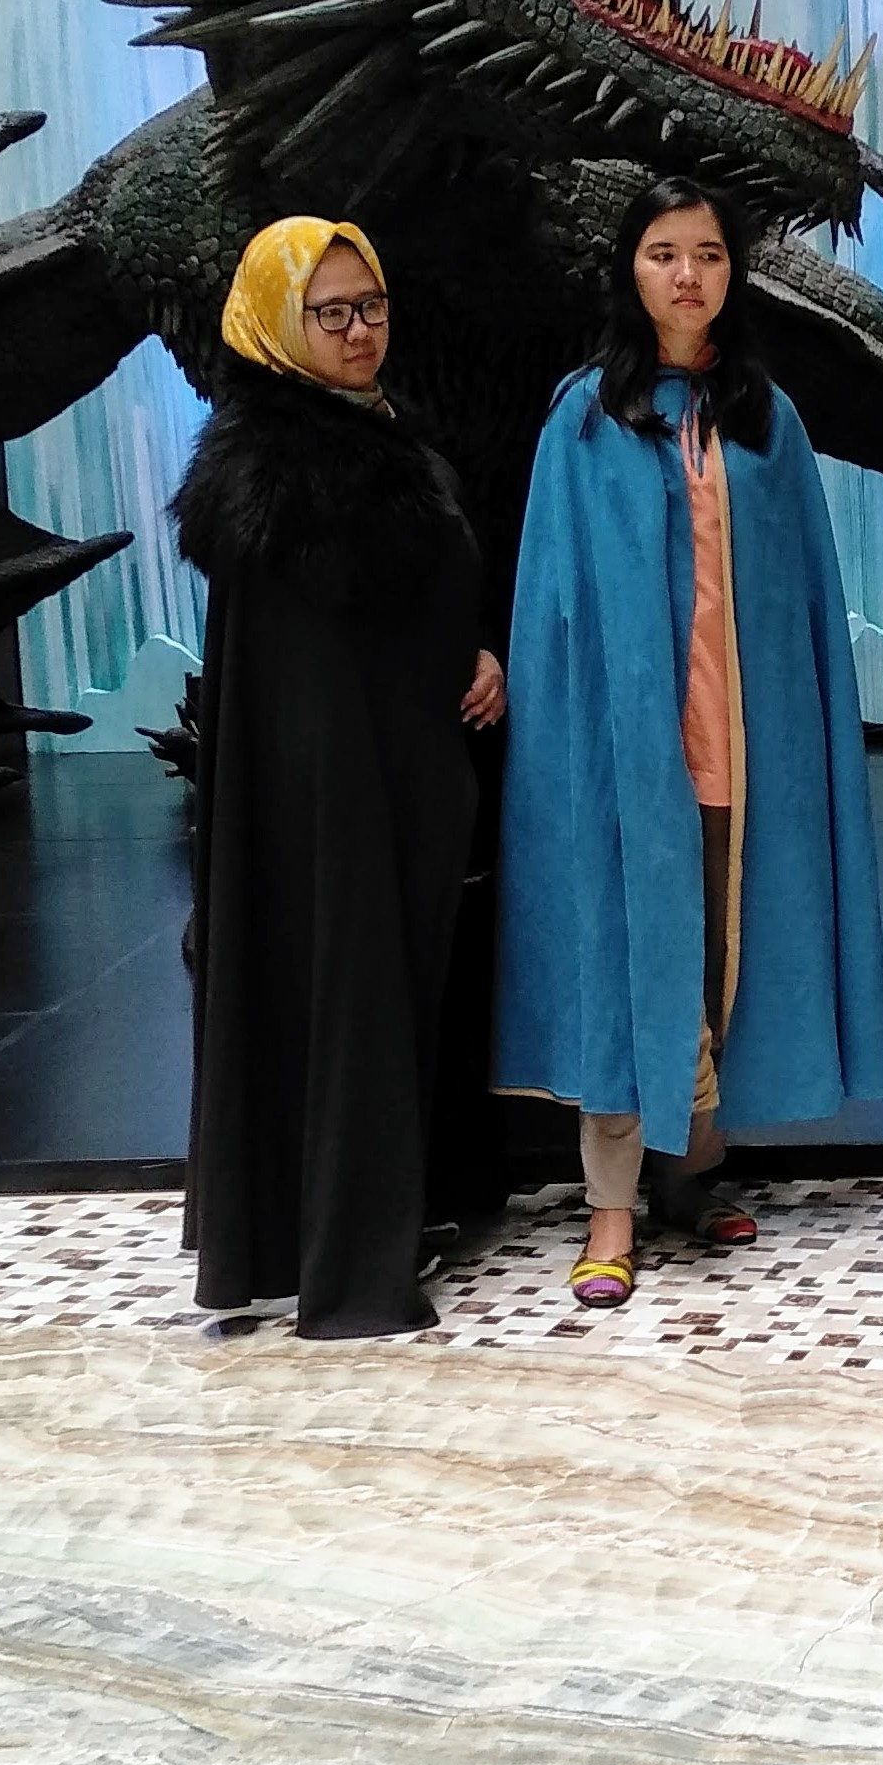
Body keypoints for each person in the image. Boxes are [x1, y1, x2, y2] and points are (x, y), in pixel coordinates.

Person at [497, 176, 883, 1307]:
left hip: (744, 748)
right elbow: (548, 602)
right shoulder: (585, 417)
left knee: (722, 960)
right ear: (631, 269)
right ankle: (610, 1208)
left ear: (732, 273)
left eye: (708, 254)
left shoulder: (767, 417)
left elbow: (803, 597)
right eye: (665, 252)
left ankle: (689, 1174)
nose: (687, 274)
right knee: (630, 965)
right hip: (628, 757)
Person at [174, 218, 507, 1338]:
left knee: (394, 990)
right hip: (338, 798)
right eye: (332, 313)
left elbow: (411, 613)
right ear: (279, 323)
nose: (360, 330)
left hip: (401, 777)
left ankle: (391, 1212)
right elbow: (312, 677)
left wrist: (475, 653)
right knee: (352, 990)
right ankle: (351, 1256)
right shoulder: (283, 475)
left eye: (371, 306)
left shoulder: (367, 431)